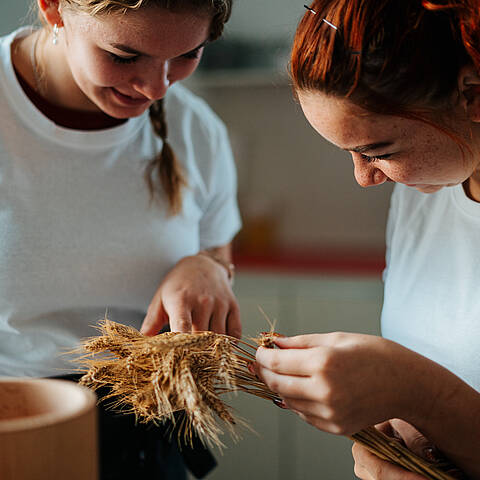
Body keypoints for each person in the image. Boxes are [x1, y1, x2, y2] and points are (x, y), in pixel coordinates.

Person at [0, 0, 241, 478]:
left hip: (148, 436)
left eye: (187, 55)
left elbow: (218, 251)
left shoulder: (197, 130)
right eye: (124, 56)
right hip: (16, 431)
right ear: (53, 10)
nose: (157, 87)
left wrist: (207, 265)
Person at [253, 0, 480, 478]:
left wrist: (415, 390)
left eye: (379, 151)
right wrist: (384, 452)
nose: (365, 178)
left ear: (473, 94)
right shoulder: (426, 192)